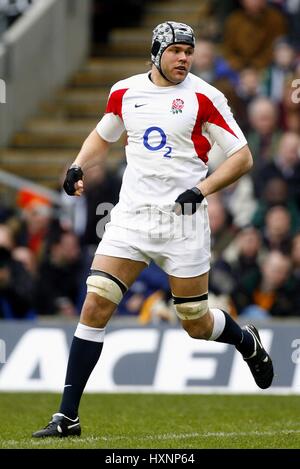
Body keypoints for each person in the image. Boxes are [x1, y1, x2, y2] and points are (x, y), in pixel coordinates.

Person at [32, 21, 274, 438]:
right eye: (176, 51)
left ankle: (244, 339)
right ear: (156, 53)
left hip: (184, 222)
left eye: (189, 51)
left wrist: (202, 189)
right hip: (132, 217)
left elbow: (242, 157)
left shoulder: (205, 96)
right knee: (97, 301)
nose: (184, 58)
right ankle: (66, 416)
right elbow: (102, 135)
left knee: (194, 320)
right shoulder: (125, 91)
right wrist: (77, 165)